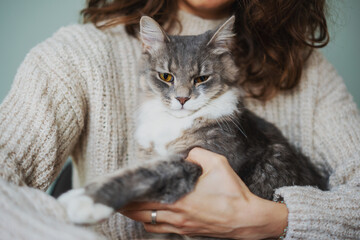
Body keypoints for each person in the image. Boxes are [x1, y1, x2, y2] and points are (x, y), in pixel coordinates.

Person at [0, 0, 359, 239]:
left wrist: (272, 221)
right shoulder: (75, 53)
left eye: (200, 79)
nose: (183, 96)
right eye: (169, 79)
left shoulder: (311, 72)